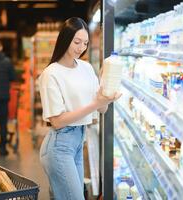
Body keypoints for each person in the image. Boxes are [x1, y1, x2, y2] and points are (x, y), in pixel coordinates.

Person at [38, 17, 121, 200]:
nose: (81, 47)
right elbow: (57, 121)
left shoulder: (86, 68)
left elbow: (102, 110)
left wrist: (106, 94)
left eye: (85, 43)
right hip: (59, 145)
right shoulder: (51, 74)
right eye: (76, 42)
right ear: (65, 39)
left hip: (78, 141)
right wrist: (96, 103)